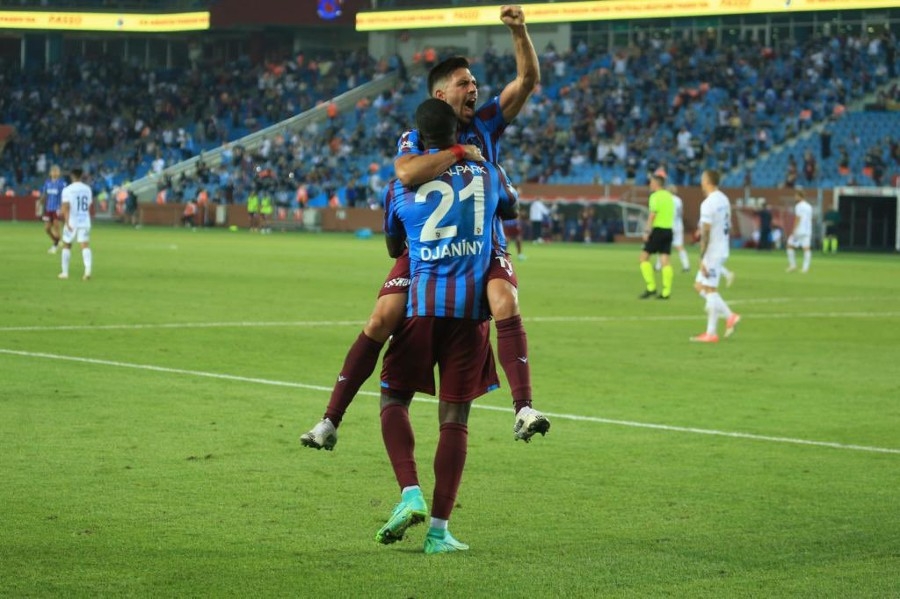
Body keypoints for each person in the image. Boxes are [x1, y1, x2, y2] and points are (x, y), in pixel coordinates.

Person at [301, 5, 546, 451]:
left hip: (481, 245)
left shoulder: (486, 123)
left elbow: (527, 81)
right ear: (439, 94)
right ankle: (329, 420)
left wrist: (519, 30)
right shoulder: (417, 135)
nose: (474, 89)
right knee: (382, 317)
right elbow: (407, 173)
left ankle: (524, 408)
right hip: (425, 247)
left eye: (474, 82)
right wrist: (460, 154)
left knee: (504, 300)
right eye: (464, 83)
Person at [375, 98, 518, 554]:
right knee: (455, 419)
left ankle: (410, 491)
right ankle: (438, 532)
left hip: (420, 308)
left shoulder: (400, 186)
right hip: (470, 311)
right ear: (459, 132)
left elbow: (394, 246)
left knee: (393, 398)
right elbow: (511, 208)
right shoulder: (488, 172)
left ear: (419, 138)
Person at [690, 169, 740, 342]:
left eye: (702, 179)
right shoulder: (724, 199)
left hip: (713, 251)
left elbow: (705, 232)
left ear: (707, 181)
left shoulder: (708, 203)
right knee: (699, 286)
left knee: (711, 290)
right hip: (722, 247)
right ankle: (725, 318)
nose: (701, 182)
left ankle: (715, 329)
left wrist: (701, 257)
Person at [638, 173, 675, 299]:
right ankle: (666, 292)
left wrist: (647, 231)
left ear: (655, 184)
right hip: (668, 230)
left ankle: (651, 287)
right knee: (665, 261)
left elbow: (652, 215)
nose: (649, 184)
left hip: (658, 230)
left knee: (643, 258)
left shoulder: (655, 196)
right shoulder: (669, 196)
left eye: (651, 182)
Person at [58, 168, 94, 281]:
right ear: (81, 176)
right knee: (85, 245)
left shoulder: (67, 190)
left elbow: (65, 207)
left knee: (67, 245)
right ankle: (87, 271)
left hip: (72, 221)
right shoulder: (87, 189)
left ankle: (65, 273)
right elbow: (88, 205)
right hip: (84, 220)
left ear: (72, 176)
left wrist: (66, 222)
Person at [39, 164, 66, 254]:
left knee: (56, 227)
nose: (54, 173)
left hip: (57, 208)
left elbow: (65, 196)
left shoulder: (62, 184)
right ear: (50, 173)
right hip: (48, 208)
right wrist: (41, 200)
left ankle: (55, 245)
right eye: (53, 171)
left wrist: (63, 208)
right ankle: (58, 241)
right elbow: (44, 194)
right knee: (47, 229)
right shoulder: (47, 183)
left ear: (59, 173)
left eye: (56, 171)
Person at [786, 189, 813, 273]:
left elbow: (798, 218)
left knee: (789, 245)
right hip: (807, 230)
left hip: (799, 230)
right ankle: (805, 268)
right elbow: (810, 218)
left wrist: (794, 229)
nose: (795, 197)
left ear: (800, 196)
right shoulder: (809, 206)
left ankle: (793, 265)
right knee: (806, 248)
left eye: (796, 196)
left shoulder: (798, 206)